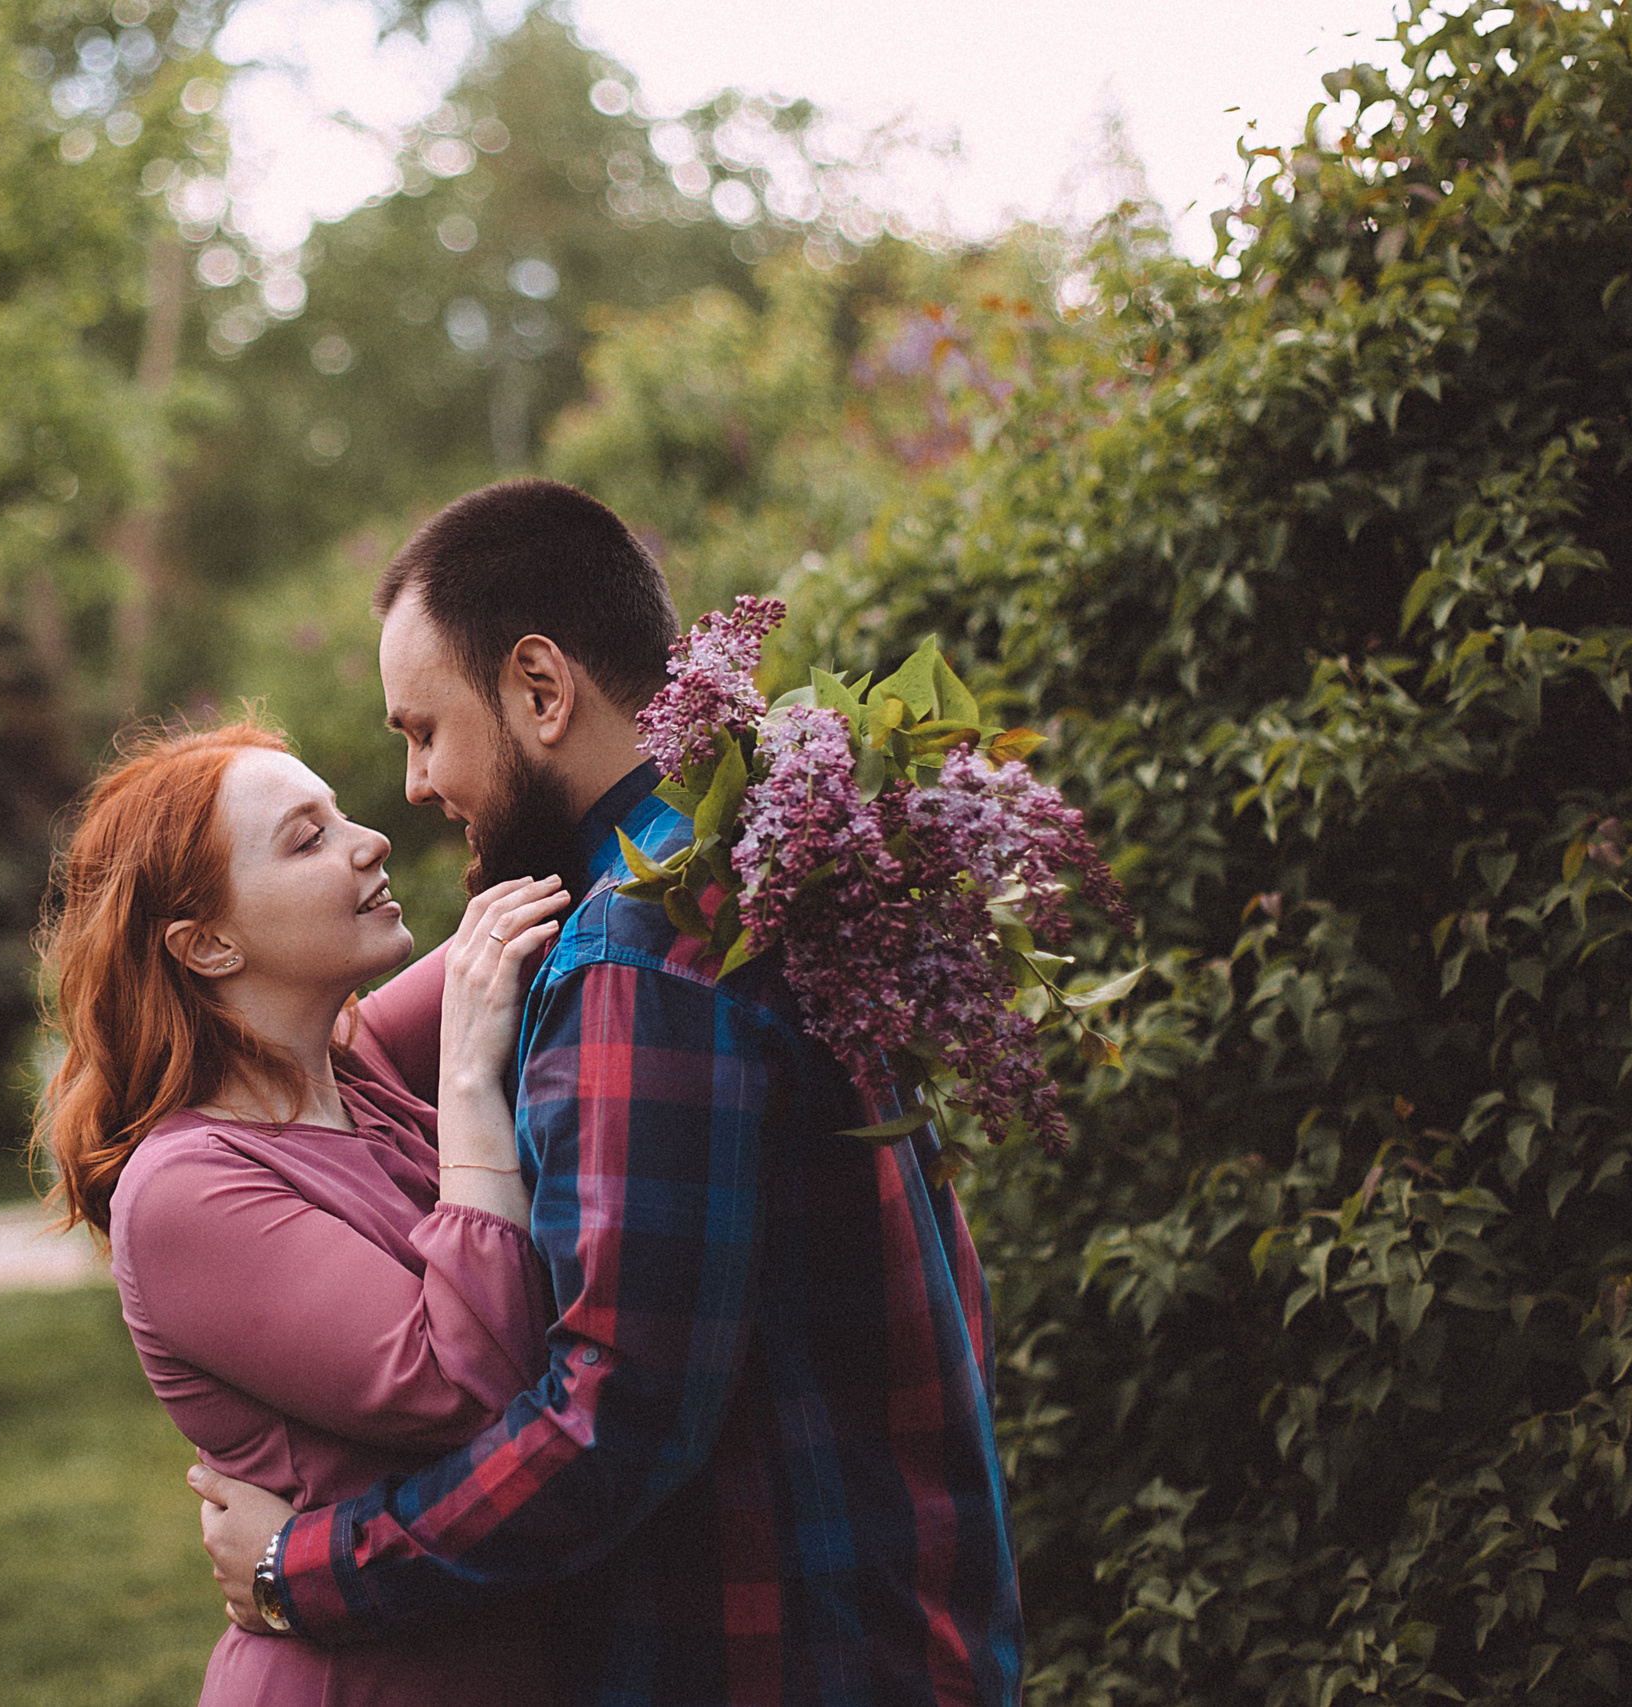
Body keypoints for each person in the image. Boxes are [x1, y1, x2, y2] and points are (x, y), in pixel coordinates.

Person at [188, 479, 1025, 1707]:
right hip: (902, 1630)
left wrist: (300, 1568)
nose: (416, 785)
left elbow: (611, 1422)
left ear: (540, 689)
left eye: (423, 730)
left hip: (785, 1662)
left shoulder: (642, 957)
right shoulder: (763, 872)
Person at [39, 717, 576, 1705]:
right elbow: (470, 1385)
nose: (368, 839)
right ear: (205, 946)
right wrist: (466, 1087)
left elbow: (536, 919)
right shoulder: (187, 1190)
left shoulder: (352, 1076)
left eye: (340, 815)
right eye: (308, 838)